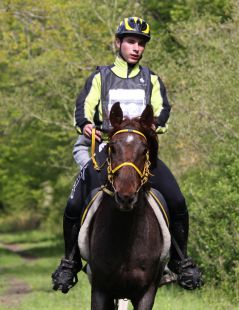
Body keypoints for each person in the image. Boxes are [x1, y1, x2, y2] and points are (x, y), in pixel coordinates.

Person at [52, 16, 203, 293]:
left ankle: (181, 262)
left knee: (177, 200)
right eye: (131, 42)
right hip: (107, 148)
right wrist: (86, 124)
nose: (136, 48)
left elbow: (162, 110)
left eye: (141, 44)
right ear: (118, 43)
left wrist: (152, 126)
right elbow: (83, 108)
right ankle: (69, 262)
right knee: (74, 204)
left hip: (142, 153)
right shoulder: (100, 76)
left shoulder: (152, 79)